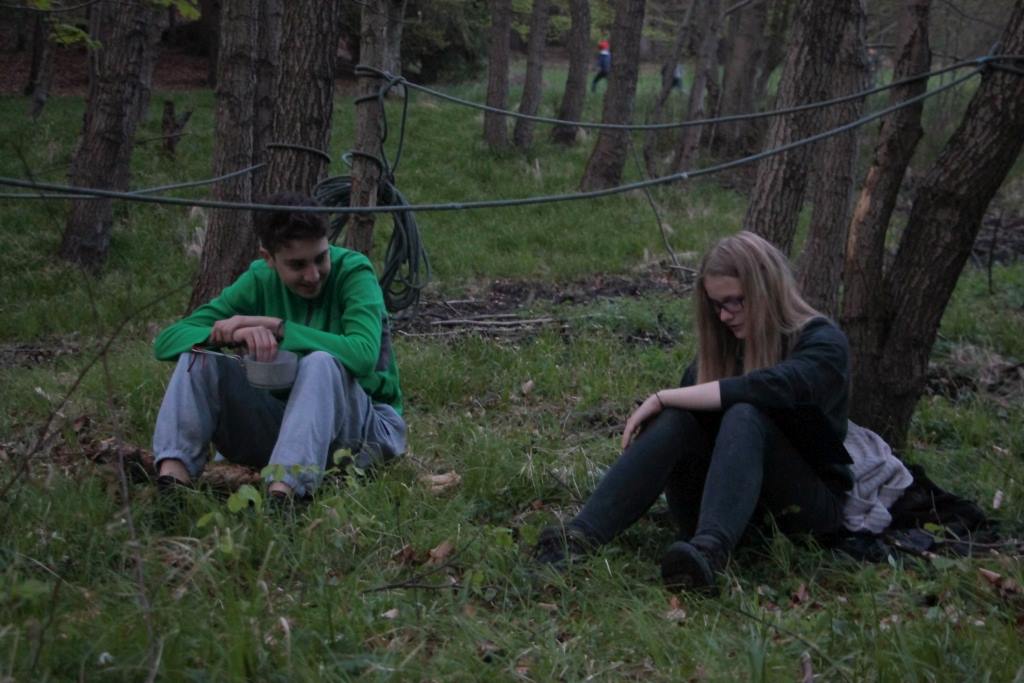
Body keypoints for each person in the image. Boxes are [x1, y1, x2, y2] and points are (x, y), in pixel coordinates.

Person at [533, 231, 853, 592]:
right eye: (717, 305)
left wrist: (663, 396)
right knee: (678, 418)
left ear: (767, 289)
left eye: (735, 302)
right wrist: (672, 404)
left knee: (744, 413)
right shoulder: (725, 350)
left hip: (804, 511)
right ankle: (579, 537)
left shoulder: (823, 343)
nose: (725, 316)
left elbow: (777, 386)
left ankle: (707, 555)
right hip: (721, 506)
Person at [151, 192, 406, 501]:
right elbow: (168, 341)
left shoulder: (353, 271)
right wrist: (228, 334)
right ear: (268, 258)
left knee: (320, 362)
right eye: (297, 265)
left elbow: (362, 355)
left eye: (320, 258)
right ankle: (172, 486)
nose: (313, 275)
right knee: (198, 356)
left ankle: (285, 499)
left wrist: (279, 327)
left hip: (367, 431)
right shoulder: (259, 278)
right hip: (285, 425)